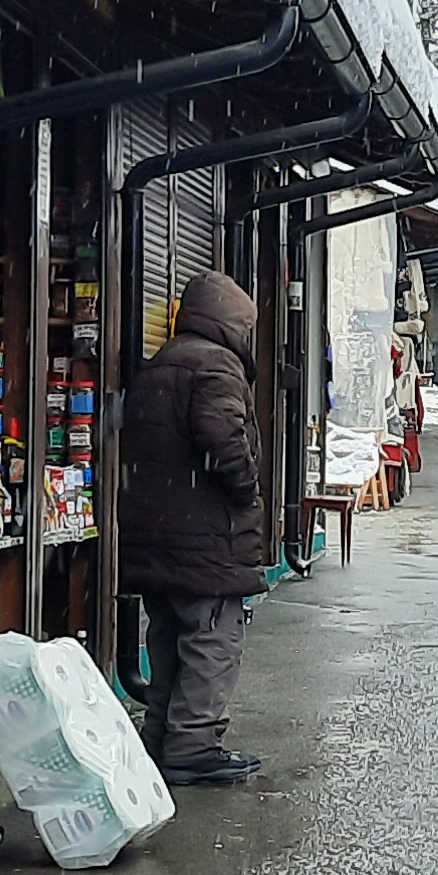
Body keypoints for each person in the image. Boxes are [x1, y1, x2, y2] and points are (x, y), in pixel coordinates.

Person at [122, 269, 269, 785]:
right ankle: (192, 745)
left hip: (157, 535)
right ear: (230, 322)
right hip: (204, 537)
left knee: (168, 640)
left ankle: (162, 737)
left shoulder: (162, 362)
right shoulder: (215, 366)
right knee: (213, 640)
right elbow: (226, 444)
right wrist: (248, 489)